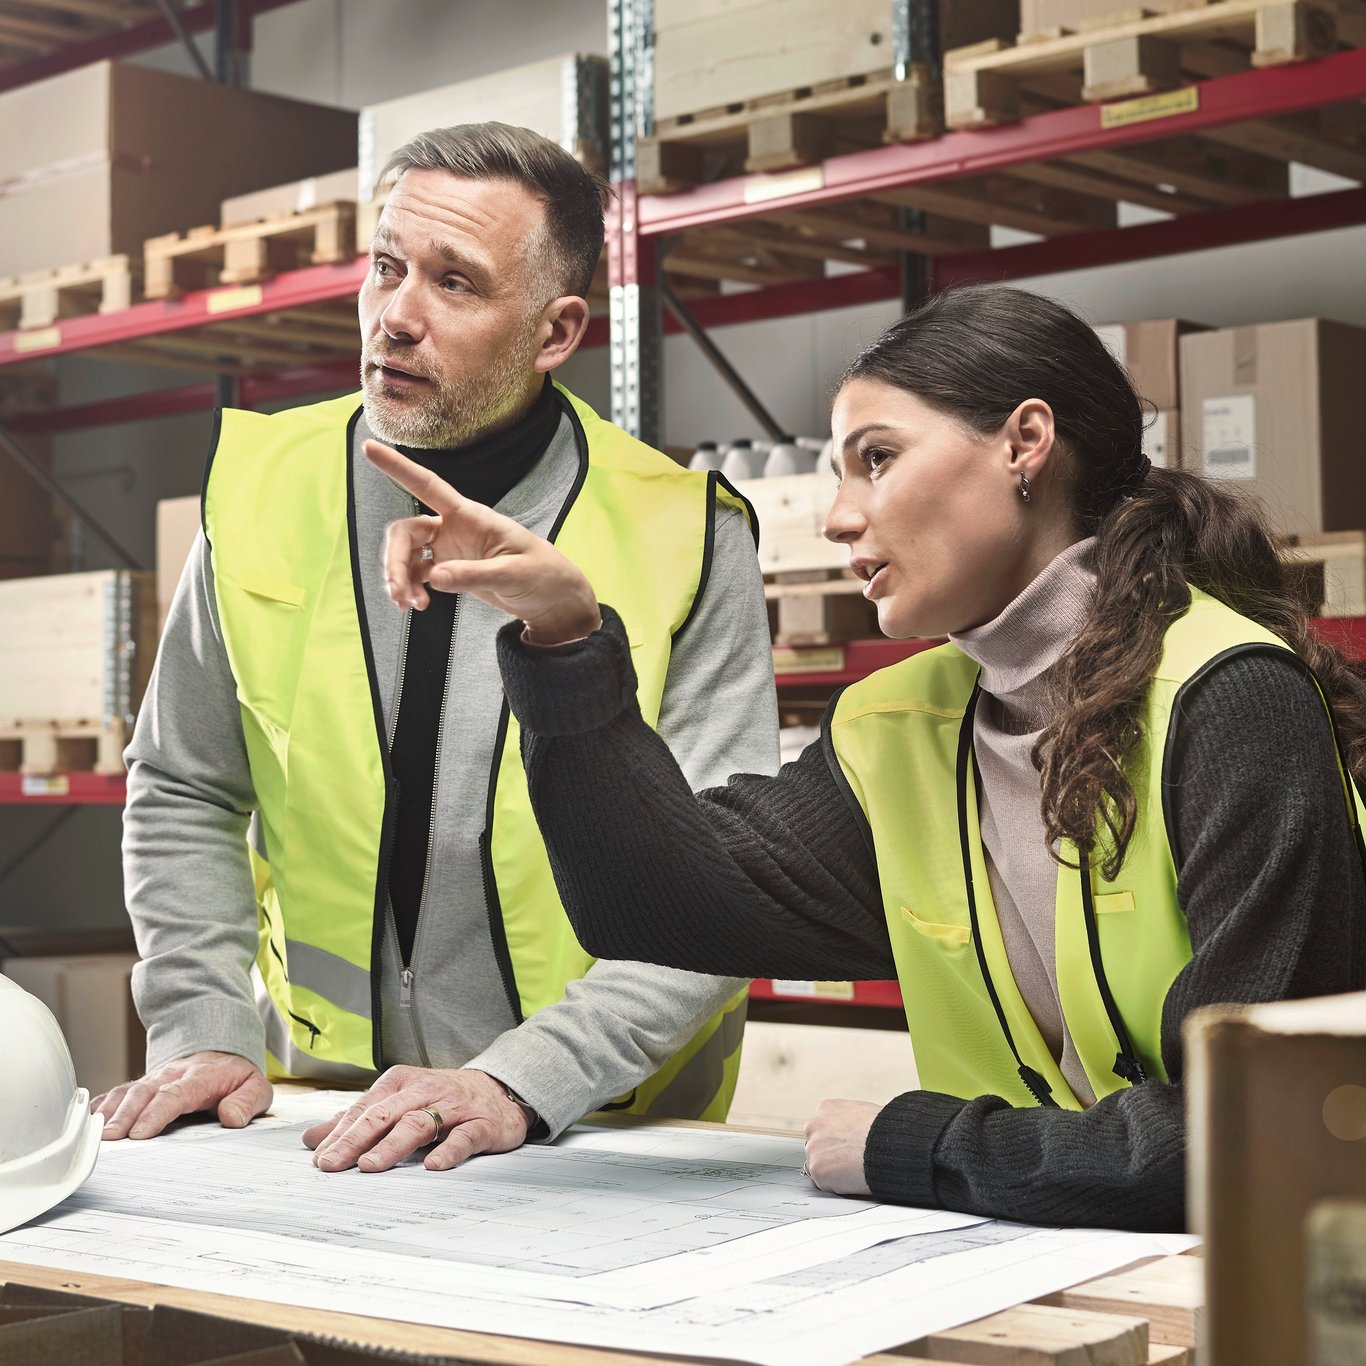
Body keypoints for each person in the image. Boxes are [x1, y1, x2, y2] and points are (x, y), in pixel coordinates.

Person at [365, 284, 1366, 1229]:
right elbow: (653, 901)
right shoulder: (902, 725)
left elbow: (1254, 1127)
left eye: (876, 458)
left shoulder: (1231, 700)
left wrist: (913, 1144)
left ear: (1024, 443)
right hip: (1032, 1265)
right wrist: (563, 640)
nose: (840, 516)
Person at [95, 122, 778, 1174]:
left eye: (454, 283)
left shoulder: (683, 531)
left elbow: (727, 877)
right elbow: (185, 783)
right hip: (323, 1121)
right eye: (385, 267)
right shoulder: (261, 487)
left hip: (600, 1136)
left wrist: (525, 1078)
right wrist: (204, 1027)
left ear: (555, 332)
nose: (394, 317)